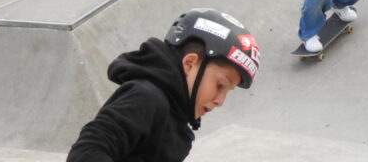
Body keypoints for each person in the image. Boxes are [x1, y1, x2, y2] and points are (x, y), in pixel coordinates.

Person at [67, 8, 259, 161]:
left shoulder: (178, 126)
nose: (220, 101)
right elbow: (88, 150)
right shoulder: (146, 98)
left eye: (228, 91)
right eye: (220, 85)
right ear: (190, 63)